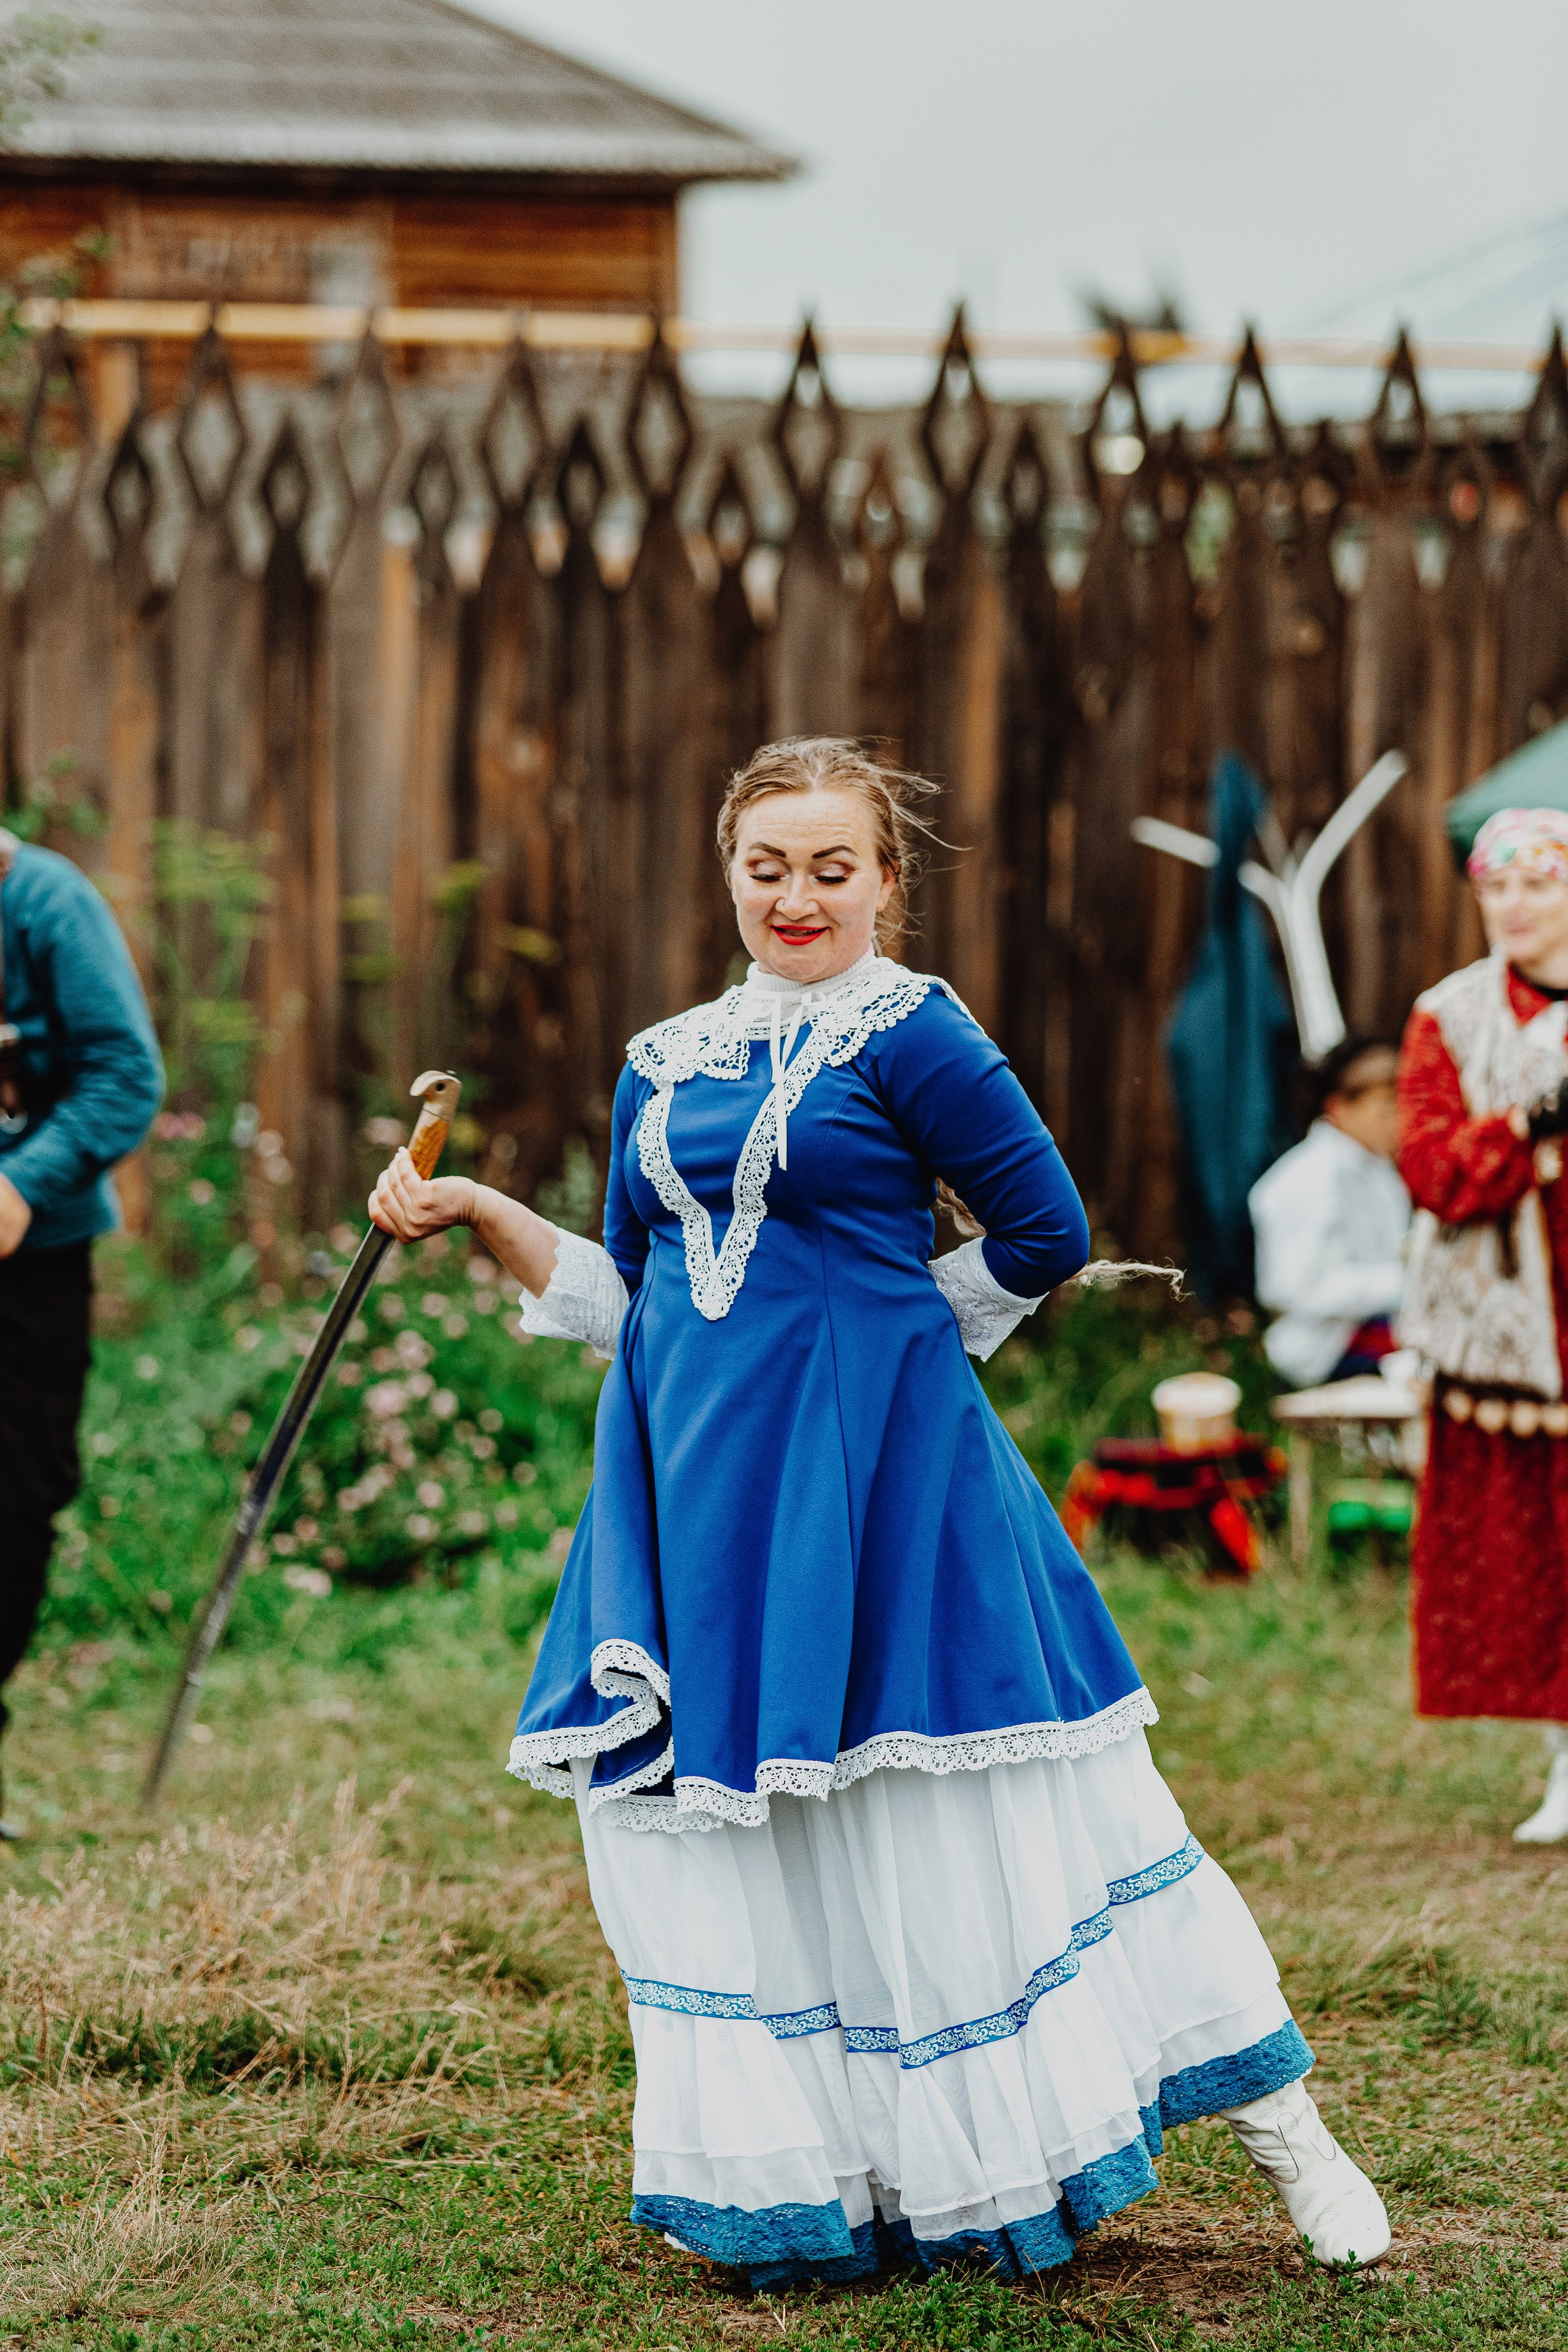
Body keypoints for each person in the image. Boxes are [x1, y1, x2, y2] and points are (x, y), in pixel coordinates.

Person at [369, 737, 1390, 2283]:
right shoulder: (663, 1056)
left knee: (1012, 1815)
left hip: (888, 1487)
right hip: (699, 1504)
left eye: (829, 866)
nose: (796, 895)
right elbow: (637, 1302)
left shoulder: (907, 1029)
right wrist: (485, 1212)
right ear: (728, 873)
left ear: (883, 882)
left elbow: (1046, 1229)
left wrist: (893, 1345)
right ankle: (871, 2172)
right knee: (791, 1838)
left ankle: (1290, 2137)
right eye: (766, 866)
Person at [1398, 805, 1568, 1847]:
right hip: (1514, 1326)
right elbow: (1434, 1169)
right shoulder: (1449, 1017)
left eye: (1538, 883)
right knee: (1541, 1549)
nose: (1513, 905)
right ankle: (1565, 1759)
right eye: (1495, 886)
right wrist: (1530, 1126)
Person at [0, 826, 163, 1841]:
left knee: (17, 1499)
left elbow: (123, 1074)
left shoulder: (48, 909)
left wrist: (22, 1182)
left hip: (30, 1266)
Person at [1248, 1039, 1411, 1387]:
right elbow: (1290, 1288)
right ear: (1338, 1108)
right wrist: (1400, 1284)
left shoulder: (1380, 1173)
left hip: (1374, 1327)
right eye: (1385, 1110)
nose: (1398, 1123)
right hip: (1323, 1349)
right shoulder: (1305, 1178)